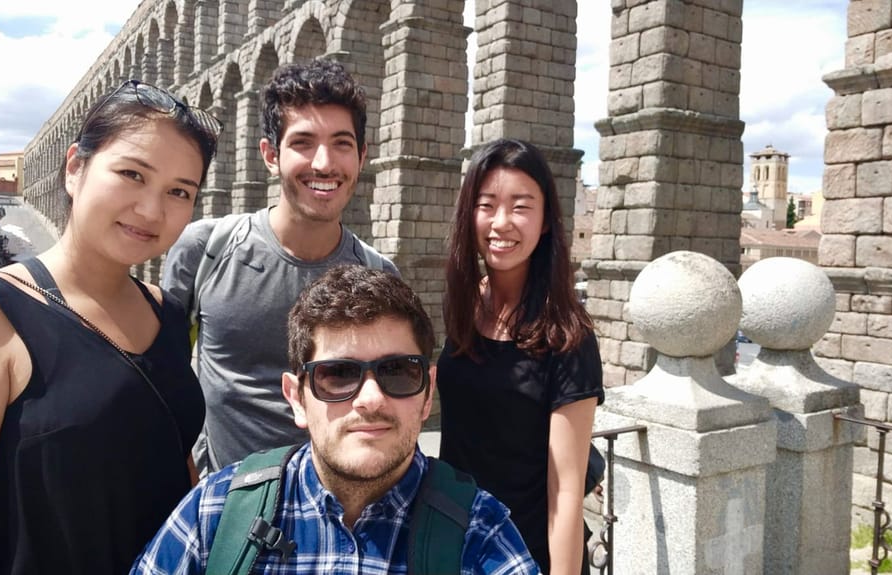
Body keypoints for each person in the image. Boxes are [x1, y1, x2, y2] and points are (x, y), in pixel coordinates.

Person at [0, 80, 219, 574]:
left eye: (179, 191)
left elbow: (173, 459)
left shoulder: (168, 314)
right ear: (75, 168)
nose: (152, 210)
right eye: (131, 174)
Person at [132, 265, 538, 574]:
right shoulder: (216, 513)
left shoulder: (480, 533)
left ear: (428, 391)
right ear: (296, 398)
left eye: (398, 371)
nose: (371, 398)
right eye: (338, 375)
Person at [161, 59, 398, 476]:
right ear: (270, 155)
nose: (324, 163)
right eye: (303, 142)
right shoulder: (205, 250)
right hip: (225, 514)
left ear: (362, 157)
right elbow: (162, 381)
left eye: (342, 143)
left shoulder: (379, 277)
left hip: (338, 518)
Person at [438, 139, 605, 575]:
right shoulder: (463, 306)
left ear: (547, 219)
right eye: (487, 204)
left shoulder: (568, 334)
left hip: (523, 554)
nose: (501, 222)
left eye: (520, 206)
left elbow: (566, 488)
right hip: (453, 541)